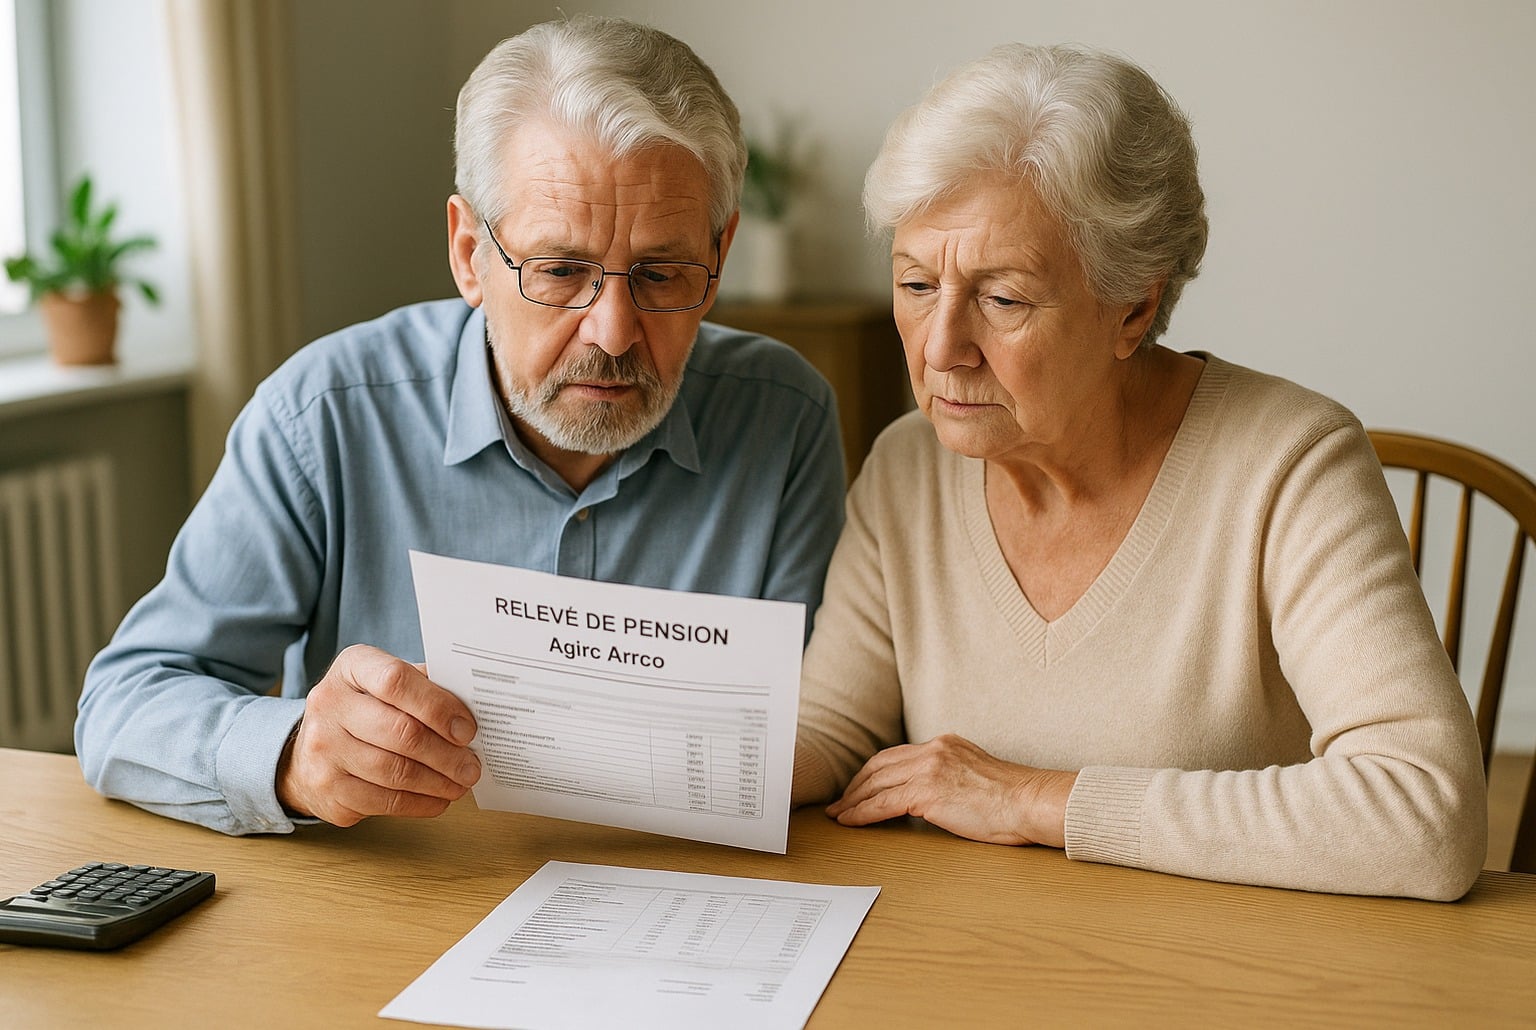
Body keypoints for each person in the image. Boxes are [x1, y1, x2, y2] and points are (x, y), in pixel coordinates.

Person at [76, 15, 845, 836]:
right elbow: (125, 703)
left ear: (720, 254)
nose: (614, 332)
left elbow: (822, 725)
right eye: (560, 271)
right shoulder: (324, 415)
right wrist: (296, 753)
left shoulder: (785, 416)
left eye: (662, 273)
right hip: (396, 906)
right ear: (469, 252)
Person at [791, 43, 1485, 900]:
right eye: (916, 284)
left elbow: (1426, 814)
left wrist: (1034, 800)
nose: (941, 348)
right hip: (983, 960)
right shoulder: (908, 468)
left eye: (1003, 299)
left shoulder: (1291, 465)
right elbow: (830, 727)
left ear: (1136, 308)